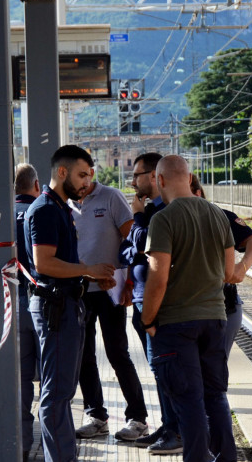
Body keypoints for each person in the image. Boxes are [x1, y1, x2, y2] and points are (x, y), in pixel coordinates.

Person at [141, 155, 237, 462]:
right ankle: (225, 458)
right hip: (214, 319)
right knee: (215, 396)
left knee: (189, 402)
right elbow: (228, 272)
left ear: (160, 181)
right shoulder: (218, 214)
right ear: (191, 177)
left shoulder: (163, 219)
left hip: (176, 325)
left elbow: (158, 279)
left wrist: (147, 320)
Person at [24, 145, 116, 462]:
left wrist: (88, 278)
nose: (85, 183)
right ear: (61, 172)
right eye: (80, 175)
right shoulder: (46, 210)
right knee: (56, 394)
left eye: (89, 176)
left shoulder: (62, 208)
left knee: (62, 392)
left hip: (66, 305)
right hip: (56, 309)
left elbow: (62, 264)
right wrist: (88, 270)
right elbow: (45, 263)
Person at [69, 175, 149, 441]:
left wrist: (128, 282)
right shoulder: (64, 202)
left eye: (84, 174)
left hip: (110, 290)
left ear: (90, 172)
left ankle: (137, 418)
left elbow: (132, 241)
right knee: (83, 355)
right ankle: (96, 415)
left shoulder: (111, 197)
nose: (81, 180)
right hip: (80, 290)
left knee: (117, 353)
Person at [119, 152, 183, 454]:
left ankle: (177, 432)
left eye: (137, 175)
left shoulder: (163, 212)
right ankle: (168, 425)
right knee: (159, 372)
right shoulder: (149, 211)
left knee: (168, 372)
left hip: (159, 307)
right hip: (142, 301)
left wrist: (139, 219)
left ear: (154, 176)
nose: (133, 182)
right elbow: (128, 251)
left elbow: (144, 245)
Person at [190, 177, 252, 357]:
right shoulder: (165, 218)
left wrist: (242, 267)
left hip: (223, 306)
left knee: (213, 371)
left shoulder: (221, 216)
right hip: (185, 310)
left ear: (197, 193)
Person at [14, 163, 41, 461]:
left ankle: (21, 443)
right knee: (50, 377)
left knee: (20, 378)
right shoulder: (43, 210)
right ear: (36, 185)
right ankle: (51, 442)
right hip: (42, 303)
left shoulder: (0, 215)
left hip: (13, 305)